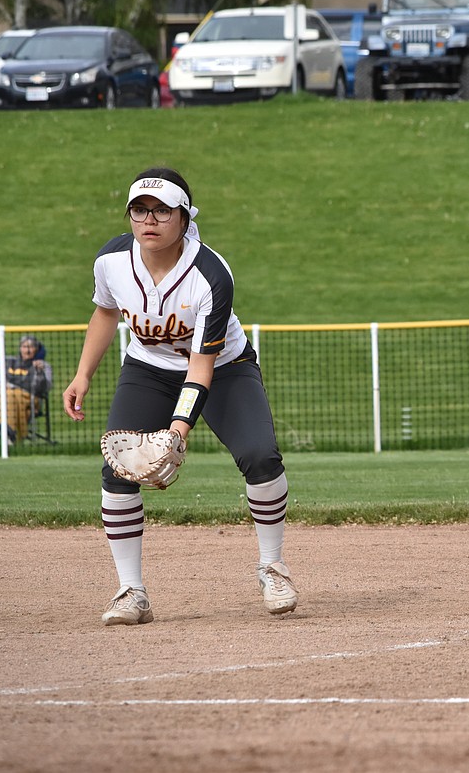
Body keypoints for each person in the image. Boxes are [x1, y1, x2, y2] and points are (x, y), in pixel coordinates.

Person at [62, 167, 298, 626]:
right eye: (139, 210)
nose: (149, 219)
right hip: (147, 370)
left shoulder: (210, 274)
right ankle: (131, 592)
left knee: (260, 455)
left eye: (162, 210)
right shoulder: (111, 260)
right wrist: (82, 375)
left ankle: (273, 566)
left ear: (185, 218)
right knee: (119, 467)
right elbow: (106, 311)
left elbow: (201, 365)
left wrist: (177, 430)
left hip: (225, 369)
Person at [0, 334, 53, 442]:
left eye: (31, 347)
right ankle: (9, 434)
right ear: (20, 348)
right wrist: (5, 386)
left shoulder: (43, 366)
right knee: (10, 395)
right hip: (7, 396)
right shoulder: (6, 361)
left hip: (31, 399)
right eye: (25, 347)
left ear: (37, 349)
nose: (28, 350)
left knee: (10, 394)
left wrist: (39, 373)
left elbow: (43, 389)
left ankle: (3, 431)